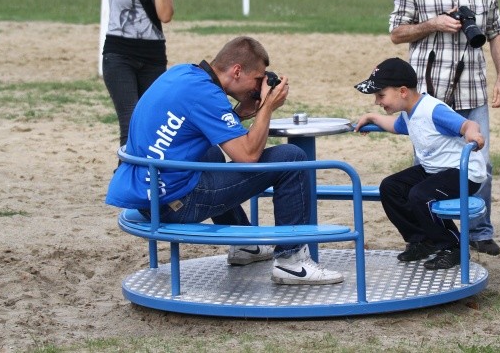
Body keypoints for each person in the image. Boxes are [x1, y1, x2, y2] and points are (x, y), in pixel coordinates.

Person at [105, 36, 344, 285]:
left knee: (212, 153)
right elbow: (248, 156)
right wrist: (267, 108)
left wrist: (241, 113)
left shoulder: (185, 74)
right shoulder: (206, 95)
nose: (258, 87)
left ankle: (245, 246)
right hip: (175, 204)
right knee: (292, 158)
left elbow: (206, 123)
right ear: (237, 71)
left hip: (151, 194)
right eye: (258, 79)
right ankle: (291, 262)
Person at [389, 0, 500, 256]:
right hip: (428, 94)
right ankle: (433, 236)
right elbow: (397, 33)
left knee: (479, 163)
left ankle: (480, 231)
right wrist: (434, 23)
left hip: (472, 88)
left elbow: (497, 31)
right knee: (426, 166)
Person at [353, 57, 486, 270]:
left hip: (463, 173)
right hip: (435, 170)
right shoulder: (408, 113)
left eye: (381, 95)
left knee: (421, 195)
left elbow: (468, 124)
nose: (378, 101)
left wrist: (473, 135)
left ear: (403, 91)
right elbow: (395, 126)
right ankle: (423, 240)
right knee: (390, 187)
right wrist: (372, 117)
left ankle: (454, 246)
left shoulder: (432, 110)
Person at [92, 0, 175, 148]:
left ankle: (147, 179)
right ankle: (126, 180)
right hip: (119, 54)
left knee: (150, 123)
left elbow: (165, 15)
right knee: (130, 122)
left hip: (153, 56)